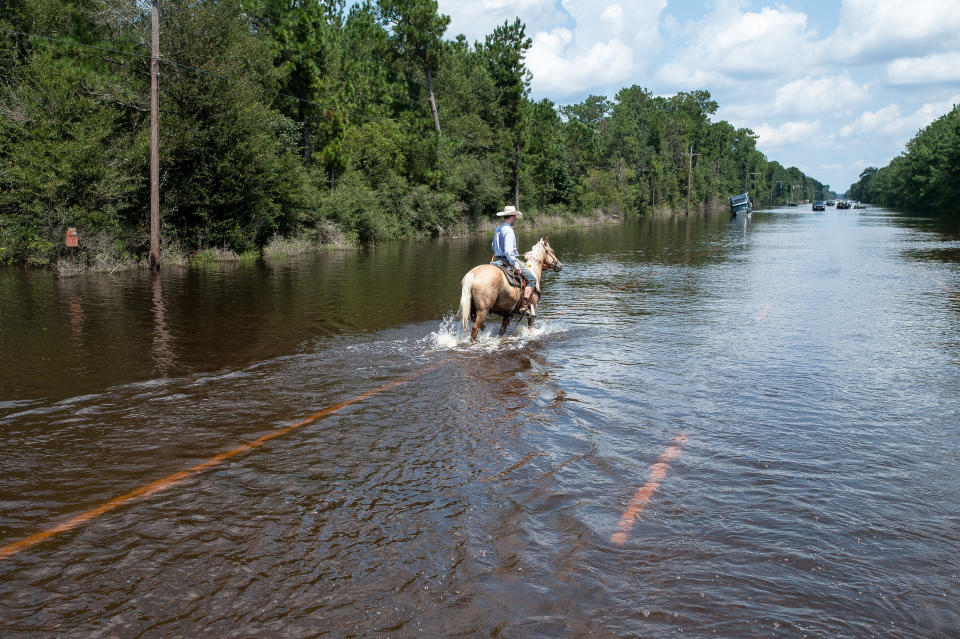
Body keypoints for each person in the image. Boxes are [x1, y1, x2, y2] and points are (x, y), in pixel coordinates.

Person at [491, 205, 537, 316]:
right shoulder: (509, 230)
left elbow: (493, 246)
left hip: (497, 260)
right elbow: (508, 251)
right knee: (532, 279)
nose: (515, 219)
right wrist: (516, 264)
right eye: (515, 217)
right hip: (508, 260)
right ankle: (524, 306)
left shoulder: (498, 228)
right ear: (512, 217)